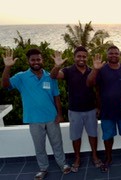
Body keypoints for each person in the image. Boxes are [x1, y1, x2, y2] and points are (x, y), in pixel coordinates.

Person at [1, 48, 71, 179]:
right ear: (28, 61)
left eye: (38, 59)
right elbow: (5, 85)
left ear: (42, 60)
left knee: (57, 143)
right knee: (39, 146)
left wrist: (60, 114)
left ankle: (63, 164)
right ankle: (43, 168)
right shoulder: (21, 77)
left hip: (51, 117)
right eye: (33, 60)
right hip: (33, 119)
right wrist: (7, 68)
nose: (36, 62)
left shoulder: (51, 76)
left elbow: (57, 97)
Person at [50, 46, 102, 172]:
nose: (81, 58)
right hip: (74, 110)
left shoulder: (92, 70)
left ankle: (94, 156)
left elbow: (97, 91)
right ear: (74, 57)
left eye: (84, 56)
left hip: (90, 110)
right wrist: (57, 65)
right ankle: (77, 158)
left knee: (93, 135)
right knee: (75, 137)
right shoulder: (68, 71)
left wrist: (98, 107)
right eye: (79, 56)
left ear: (87, 58)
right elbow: (53, 76)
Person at [86, 45, 121, 172]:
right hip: (106, 111)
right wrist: (95, 70)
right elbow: (90, 84)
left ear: (120, 55)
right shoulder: (101, 70)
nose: (114, 55)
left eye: (116, 53)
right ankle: (108, 158)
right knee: (108, 136)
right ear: (107, 55)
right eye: (111, 53)